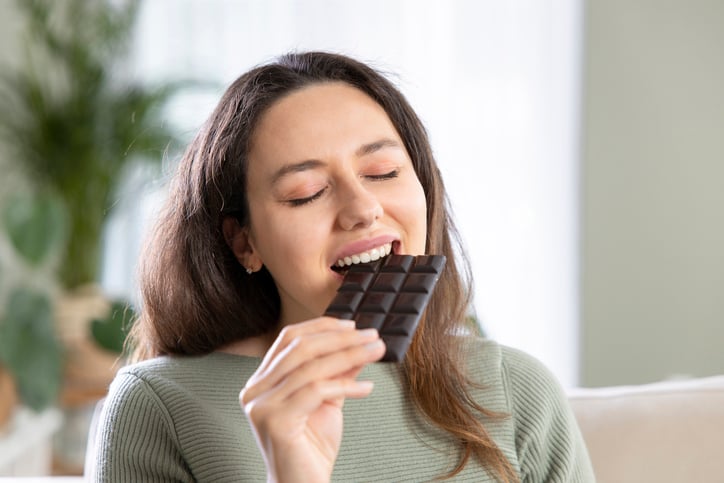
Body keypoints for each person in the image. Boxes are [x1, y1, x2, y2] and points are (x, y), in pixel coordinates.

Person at [90, 51, 595, 482]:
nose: (362, 209)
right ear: (245, 241)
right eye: (307, 193)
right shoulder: (161, 405)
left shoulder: (514, 388)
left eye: (384, 172)